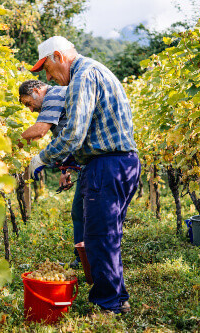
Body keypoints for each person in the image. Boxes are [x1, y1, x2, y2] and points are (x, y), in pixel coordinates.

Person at [27, 36, 141, 314]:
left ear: (58, 56)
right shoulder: (95, 69)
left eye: (47, 69)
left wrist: (41, 159)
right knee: (108, 235)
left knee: (99, 237)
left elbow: (74, 134)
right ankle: (117, 298)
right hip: (122, 163)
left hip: (106, 165)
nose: (48, 76)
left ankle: (109, 305)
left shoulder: (83, 75)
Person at [18, 79, 84, 269]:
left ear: (37, 91)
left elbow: (39, 131)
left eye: (28, 103)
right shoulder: (57, 99)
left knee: (84, 212)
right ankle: (83, 260)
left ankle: (89, 262)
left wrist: (11, 143)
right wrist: (66, 169)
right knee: (80, 212)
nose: (30, 110)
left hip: (97, 161)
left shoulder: (53, 95)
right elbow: (65, 136)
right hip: (86, 160)